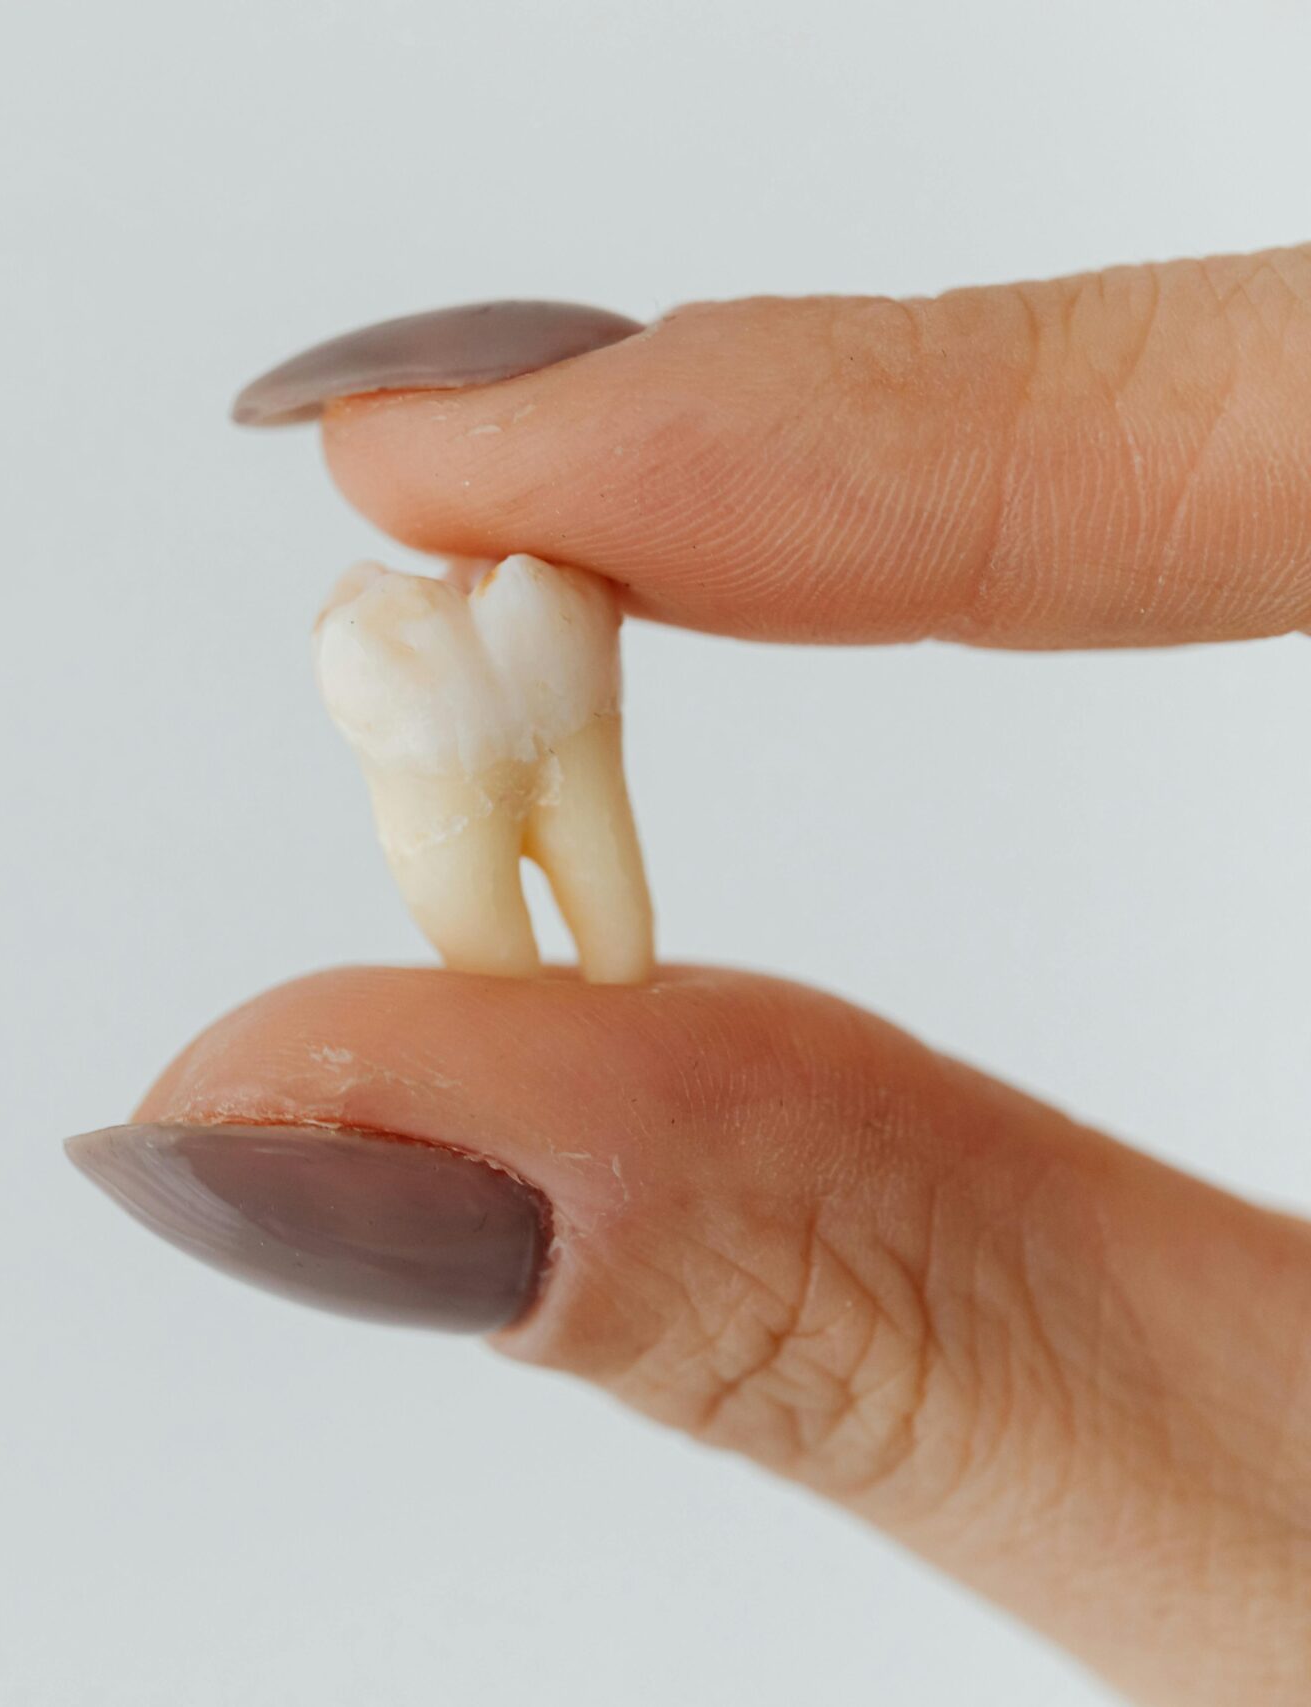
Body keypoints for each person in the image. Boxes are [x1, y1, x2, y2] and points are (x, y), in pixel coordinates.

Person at [65, 246, 1311, 1707]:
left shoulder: (475, 649)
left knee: (576, 918)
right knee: (560, 911)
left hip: (501, 706)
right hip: (481, 712)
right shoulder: (444, 654)